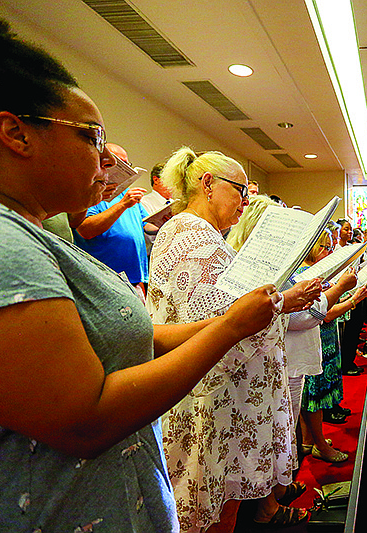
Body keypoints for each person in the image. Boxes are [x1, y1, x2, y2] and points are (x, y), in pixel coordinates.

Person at [0, 4, 279, 530]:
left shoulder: (35, 233)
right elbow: (84, 419)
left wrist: (234, 320)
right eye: (91, 136)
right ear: (16, 135)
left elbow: (128, 331)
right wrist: (228, 327)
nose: (104, 161)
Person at [147, 148, 321, 532]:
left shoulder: (191, 232)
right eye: (239, 189)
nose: (246, 200)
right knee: (212, 509)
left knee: (221, 505)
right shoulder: (196, 240)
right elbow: (219, 328)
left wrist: (284, 300)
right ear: (207, 184)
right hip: (211, 398)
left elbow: (226, 312)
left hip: (213, 394)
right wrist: (277, 307)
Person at [288, 230, 363, 462]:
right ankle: (320, 444)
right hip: (312, 340)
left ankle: (310, 440)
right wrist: (352, 300)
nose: (330, 252)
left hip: (324, 340)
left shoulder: (317, 274)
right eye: (326, 247)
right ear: (314, 248)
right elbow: (325, 314)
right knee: (314, 398)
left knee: (313, 398)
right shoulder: (304, 275)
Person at [73, 142, 150, 292]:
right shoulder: (93, 192)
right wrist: (122, 205)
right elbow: (85, 230)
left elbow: (146, 225)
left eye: (128, 165)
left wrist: (166, 219)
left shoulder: (127, 194)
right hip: (102, 278)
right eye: (120, 164)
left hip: (134, 279)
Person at [141, 162, 174, 255]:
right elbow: (149, 237)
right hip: (154, 255)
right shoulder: (144, 202)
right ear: (156, 180)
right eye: (171, 179)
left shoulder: (176, 203)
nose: (174, 184)